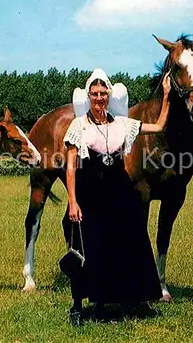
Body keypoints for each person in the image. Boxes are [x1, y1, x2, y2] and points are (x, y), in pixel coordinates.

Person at [63, 68, 171, 326]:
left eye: (103, 93)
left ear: (109, 95)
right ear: (88, 95)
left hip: (119, 191)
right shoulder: (78, 126)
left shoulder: (122, 124)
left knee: (123, 243)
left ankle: (116, 301)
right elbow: (70, 167)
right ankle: (78, 305)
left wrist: (166, 96)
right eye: (95, 93)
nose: (99, 98)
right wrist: (73, 201)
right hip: (90, 193)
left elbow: (158, 125)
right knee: (88, 246)